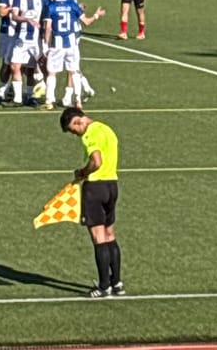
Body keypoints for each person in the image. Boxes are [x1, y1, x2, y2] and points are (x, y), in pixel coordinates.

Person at [60, 107, 125, 298]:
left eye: (73, 130)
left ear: (78, 121)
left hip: (95, 188)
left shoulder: (90, 134)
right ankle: (117, 282)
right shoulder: (107, 129)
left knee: (98, 237)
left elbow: (96, 161)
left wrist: (82, 172)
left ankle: (104, 286)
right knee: (109, 234)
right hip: (112, 185)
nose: (75, 134)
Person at [43, 0, 105, 110]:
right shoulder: (72, 5)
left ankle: (49, 101)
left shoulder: (51, 7)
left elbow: (48, 28)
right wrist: (96, 15)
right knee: (74, 71)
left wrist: (45, 44)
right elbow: (86, 22)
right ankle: (78, 100)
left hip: (57, 44)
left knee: (52, 72)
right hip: (72, 44)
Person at [7, 0, 48, 107]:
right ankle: (18, 99)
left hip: (37, 39)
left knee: (38, 68)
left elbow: (50, 9)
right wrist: (26, 19)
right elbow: (14, 16)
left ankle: (38, 97)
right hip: (22, 39)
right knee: (15, 65)